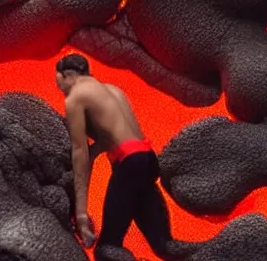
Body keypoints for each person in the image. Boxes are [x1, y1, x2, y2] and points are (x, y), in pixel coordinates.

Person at [56, 53, 179, 260]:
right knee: (164, 245)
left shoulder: (76, 97)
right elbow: (112, 136)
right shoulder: (113, 91)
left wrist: (80, 214)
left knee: (108, 247)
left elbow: (80, 154)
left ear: (68, 75)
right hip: (147, 160)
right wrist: (95, 152)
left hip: (129, 163)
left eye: (58, 78)